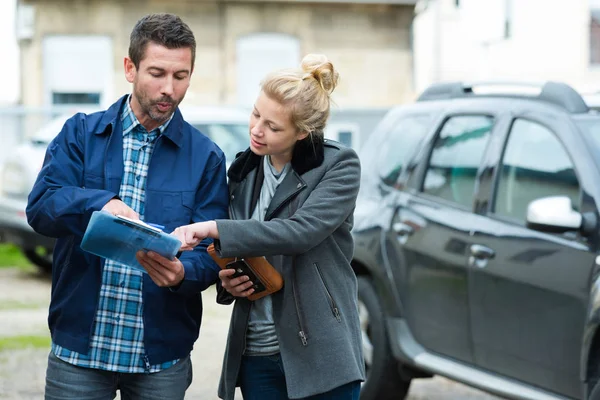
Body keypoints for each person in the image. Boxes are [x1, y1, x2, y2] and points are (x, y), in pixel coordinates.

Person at [26, 13, 229, 400]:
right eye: (157, 73)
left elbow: (212, 249)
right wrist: (102, 202)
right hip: (79, 354)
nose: (169, 88)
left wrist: (183, 273)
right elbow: (41, 207)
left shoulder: (206, 157)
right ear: (130, 68)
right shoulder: (80, 134)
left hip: (160, 360)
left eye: (181, 76)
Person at [172, 54, 365, 400]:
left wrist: (217, 229)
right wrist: (230, 282)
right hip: (256, 352)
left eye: (273, 126)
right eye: (256, 114)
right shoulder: (244, 172)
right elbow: (242, 251)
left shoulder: (338, 166)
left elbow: (300, 232)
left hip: (320, 353)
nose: (256, 129)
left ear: (302, 133)